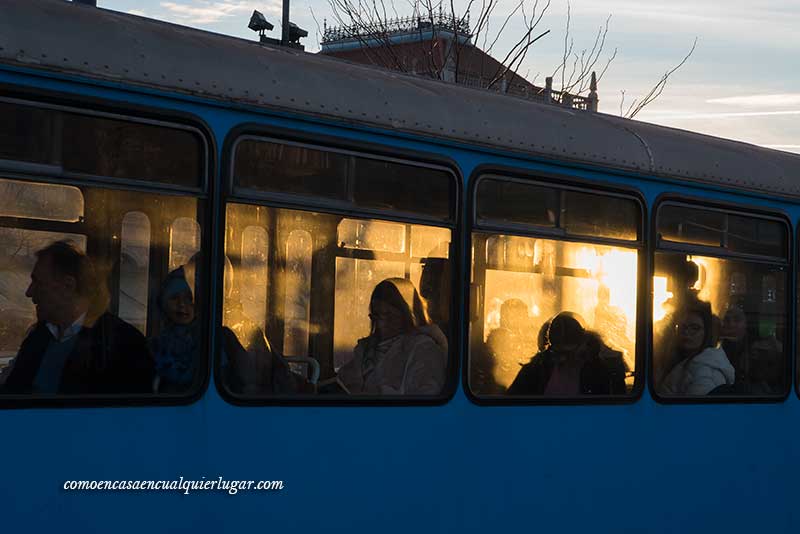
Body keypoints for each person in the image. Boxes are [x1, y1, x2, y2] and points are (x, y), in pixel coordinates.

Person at [2, 240, 154, 395]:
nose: (29, 292)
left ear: (68, 286)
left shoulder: (122, 344)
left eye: (38, 283)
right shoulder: (39, 335)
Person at [337, 278, 447, 395]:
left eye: (388, 316)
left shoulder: (423, 349)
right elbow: (345, 380)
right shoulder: (366, 349)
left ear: (407, 315)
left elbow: (426, 401)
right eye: (376, 316)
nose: (380, 324)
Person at [507, 312, 626, 396]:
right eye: (557, 353)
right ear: (550, 347)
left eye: (568, 353)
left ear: (583, 345)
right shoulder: (536, 370)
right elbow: (511, 404)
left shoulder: (599, 371)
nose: (562, 359)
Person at [658, 299, 734, 396]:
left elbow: (693, 409)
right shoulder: (685, 362)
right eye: (683, 327)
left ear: (706, 333)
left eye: (695, 328)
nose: (687, 333)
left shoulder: (706, 373)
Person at [148, 267, 199, 393]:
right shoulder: (154, 345)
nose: (182, 304)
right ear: (162, 303)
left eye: (188, 298)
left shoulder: (205, 342)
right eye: (174, 298)